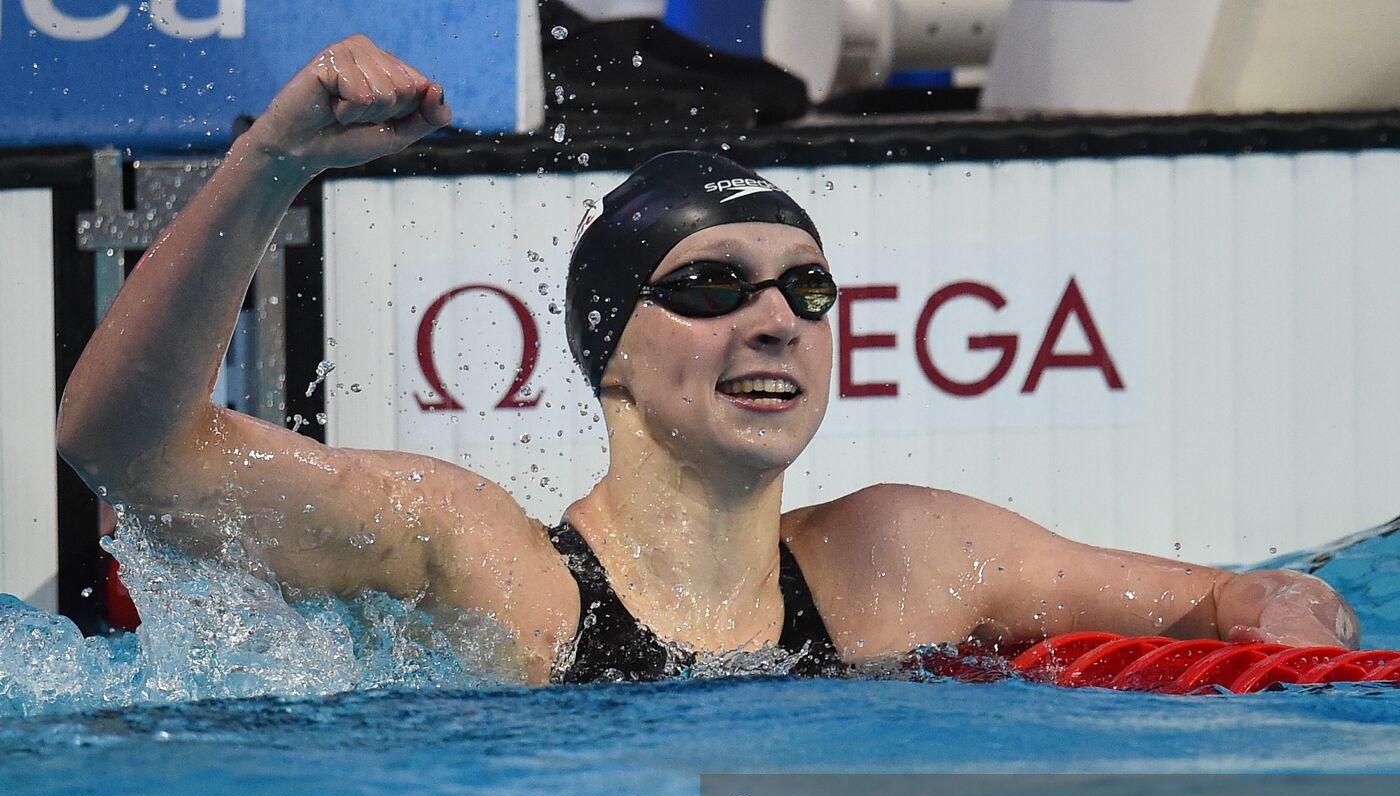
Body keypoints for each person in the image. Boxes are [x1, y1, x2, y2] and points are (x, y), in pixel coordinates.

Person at [56, 36, 1359, 686]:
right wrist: (273, 163)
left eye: (804, 286)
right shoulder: (486, 563)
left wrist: (1277, 617)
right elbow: (120, 446)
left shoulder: (904, 558)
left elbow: (1216, 605)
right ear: (609, 353)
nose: (775, 318)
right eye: (711, 286)